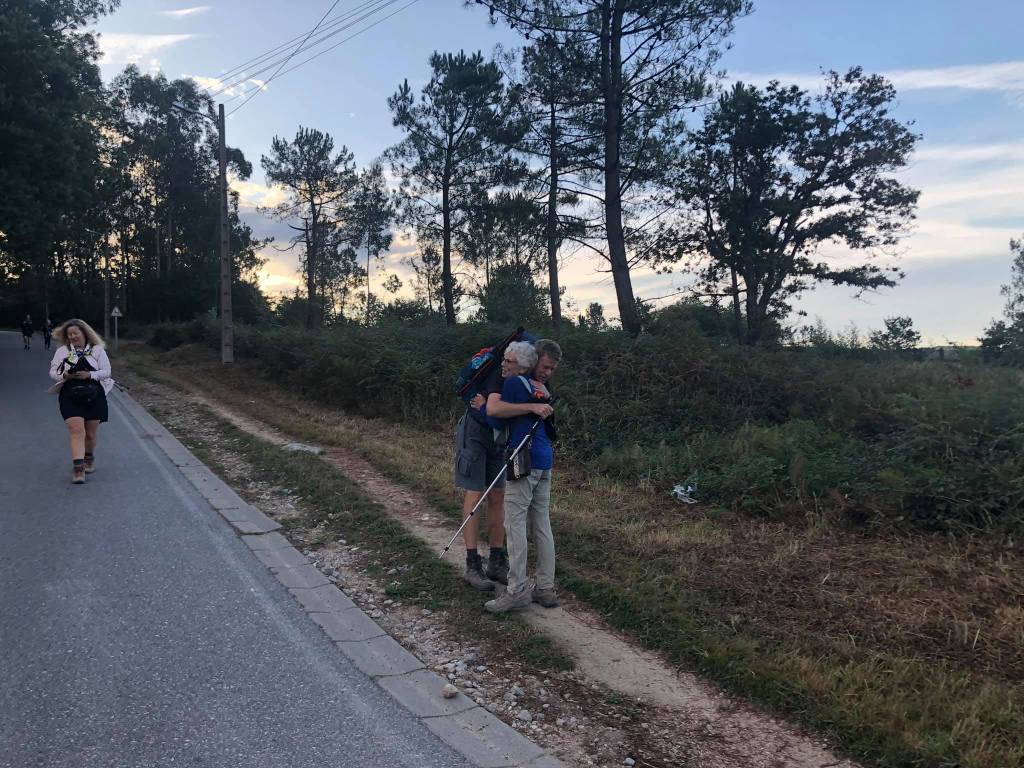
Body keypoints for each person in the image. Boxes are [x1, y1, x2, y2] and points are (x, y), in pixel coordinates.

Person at [455, 337, 550, 591]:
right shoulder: (500, 375)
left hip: (499, 438)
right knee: (475, 494)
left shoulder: (526, 379)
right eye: (505, 360)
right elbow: (495, 411)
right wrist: (526, 407)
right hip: (475, 432)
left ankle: (496, 560)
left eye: (510, 362)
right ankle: (472, 564)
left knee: (497, 495)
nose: (504, 365)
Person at [484, 339, 561, 613]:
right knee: (541, 523)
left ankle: (516, 590)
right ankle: (545, 588)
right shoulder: (543, 389)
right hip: (544, 460)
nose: (547, 373)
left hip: (523, 459)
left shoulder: (517, 383)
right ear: (536, 360)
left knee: (515, 524)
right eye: (546, 367)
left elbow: (495, 416)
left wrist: (483, 405)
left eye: (551, 369)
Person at [48, 319, 114, 484]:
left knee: (90, 435)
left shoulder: (97, 350)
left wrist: (90, 375)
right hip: (70, 395)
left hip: (94, 395)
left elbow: (107, 371)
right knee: (76, 431)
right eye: (69, 334)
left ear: (84, 333)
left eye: (75, 333)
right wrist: (64, 375)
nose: (73, 336)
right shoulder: (63, 351)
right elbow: (53, 372)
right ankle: (78, 470)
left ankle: (88, 457)